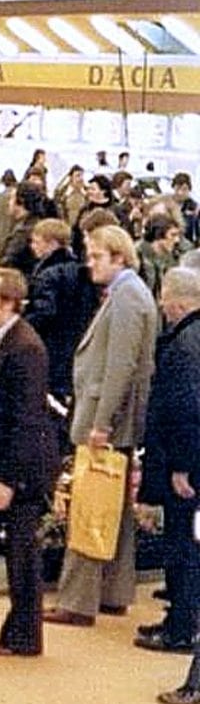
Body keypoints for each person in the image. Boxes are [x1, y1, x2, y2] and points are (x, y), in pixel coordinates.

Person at [45, 225, 158, 627]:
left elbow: (121, 366)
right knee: (117, 510)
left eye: (96, 256)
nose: (89, 263)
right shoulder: (132, 293)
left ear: (119, 257)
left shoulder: (127, 297)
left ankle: (77, 601)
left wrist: (102, 422)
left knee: (91, 507)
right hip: (115, 419)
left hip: (106, 420)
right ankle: (114, 591)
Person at [0, 268, 60, 656]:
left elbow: (26, 419)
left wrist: (7, 479)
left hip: (19, 471)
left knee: (22, 558)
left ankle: (23, 636)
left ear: (7, 304)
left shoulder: (26, 348)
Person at [137, 267, 200, 657]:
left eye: (164, 297)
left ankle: (179, 629)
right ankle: (179, 619)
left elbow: (187, 409)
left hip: (187, 467)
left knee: (182, 547)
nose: (161, 304)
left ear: (177, 300)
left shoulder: (184, 346)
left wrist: (181, 465)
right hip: (190, 459)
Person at [24, 216, 104, 413]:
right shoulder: (82, 271)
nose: (33, 247)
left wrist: (24, 324)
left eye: (37, 242)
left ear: (52, 243)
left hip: (53, 346)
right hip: (77, 343)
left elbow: (44, 312)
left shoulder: (48, 274)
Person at [137, 212, 184, 301]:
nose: (177, 240)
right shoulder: (138, 256)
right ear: (159, 234)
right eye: (173, 235)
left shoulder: (174, 256)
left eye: (178, 235)